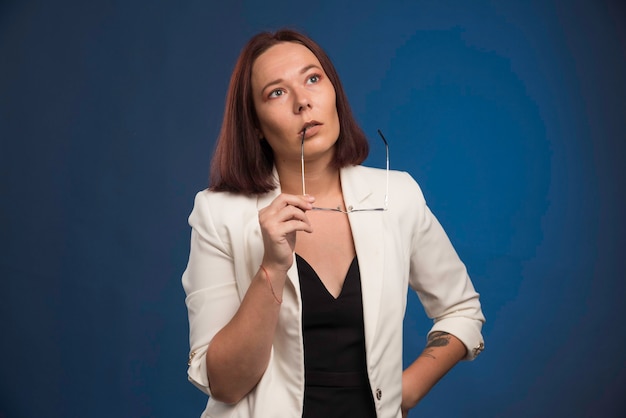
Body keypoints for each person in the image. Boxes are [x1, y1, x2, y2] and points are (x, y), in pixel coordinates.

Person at [182, 29, 485, 418]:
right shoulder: (219, 214)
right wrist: (272, 269)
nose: (303, 102)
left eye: (312, 79)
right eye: (277, 92)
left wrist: (404, 392)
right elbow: (225, 383)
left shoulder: (398, 195)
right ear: (255, 124)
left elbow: (461, 308)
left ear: (334, 93)